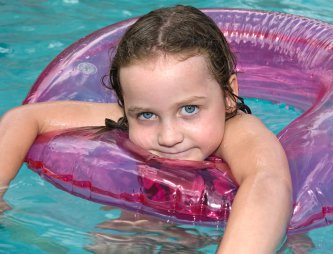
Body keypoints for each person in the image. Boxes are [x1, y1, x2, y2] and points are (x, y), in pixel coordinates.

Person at [0, 5, 292, 253]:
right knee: (108, 239)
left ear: (228, 95)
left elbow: (267, 181)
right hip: (154, 224)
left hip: (223, 231)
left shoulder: (239, 131)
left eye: (189, 109)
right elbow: (26, 118)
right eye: (147, 115)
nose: (168, 136)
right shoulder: (126, 118)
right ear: (127, 107)